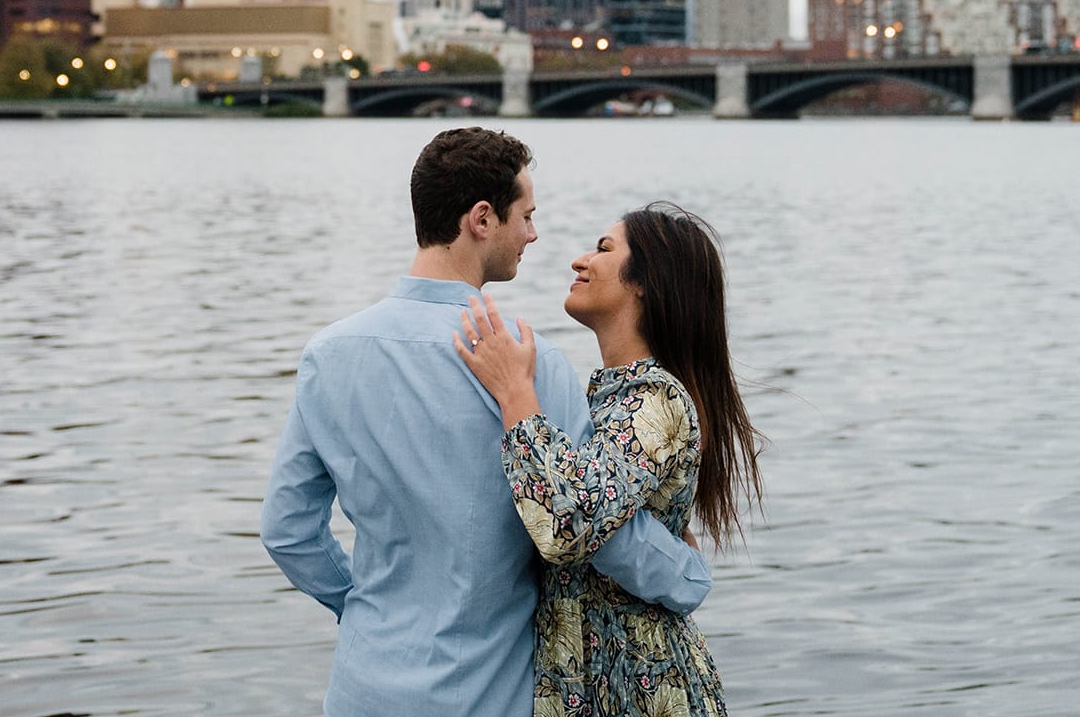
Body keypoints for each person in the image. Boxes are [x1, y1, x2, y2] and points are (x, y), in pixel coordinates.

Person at [260, 129, 712, 717]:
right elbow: (596, 532)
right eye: (525, 215)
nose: (533, 233)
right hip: (489, 692)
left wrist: (366, 607)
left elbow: (288, 532)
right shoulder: (532, 363)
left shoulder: (329, 355)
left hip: (363, 688)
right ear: (481, 218)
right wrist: (689, 577)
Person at [454, 202, 762, 717]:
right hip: (591, 683)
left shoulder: (654, 399)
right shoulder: (609, 400)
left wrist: (514, 392)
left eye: (603, 249)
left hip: (641, 689)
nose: (579, 261)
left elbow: (567, 524)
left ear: (646, 282)